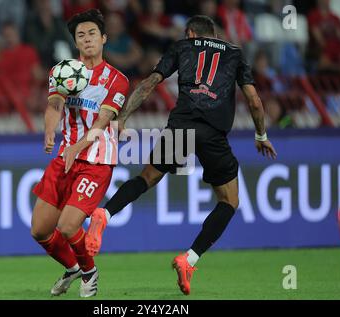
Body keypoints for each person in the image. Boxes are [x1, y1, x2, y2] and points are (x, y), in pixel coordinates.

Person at [85, 15, 277, 295]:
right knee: (229, 201)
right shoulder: (234, 53)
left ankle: (105, 212)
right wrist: (261, 135)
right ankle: (189, 259)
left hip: (182, 127)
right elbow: (255, 101)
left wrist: (122, 117)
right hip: (213, 134)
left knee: (147, 178)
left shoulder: (182, 47)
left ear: (190, 33)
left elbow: (150, 83)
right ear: (214, 34)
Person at [30, 9, 129, 298]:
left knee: (68, 224)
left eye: (92, 34)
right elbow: (54, 107)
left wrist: (76, 147)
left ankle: (90, 273)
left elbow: (102, 122)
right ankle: (74, 267)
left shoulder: (116, 79)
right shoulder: (63, 71)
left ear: (104, 38)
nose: (87, 40)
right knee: (40, 231)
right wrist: (50, 130)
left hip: (96, 160)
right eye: (81, 35)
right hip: (65, 158)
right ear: (75, 42)